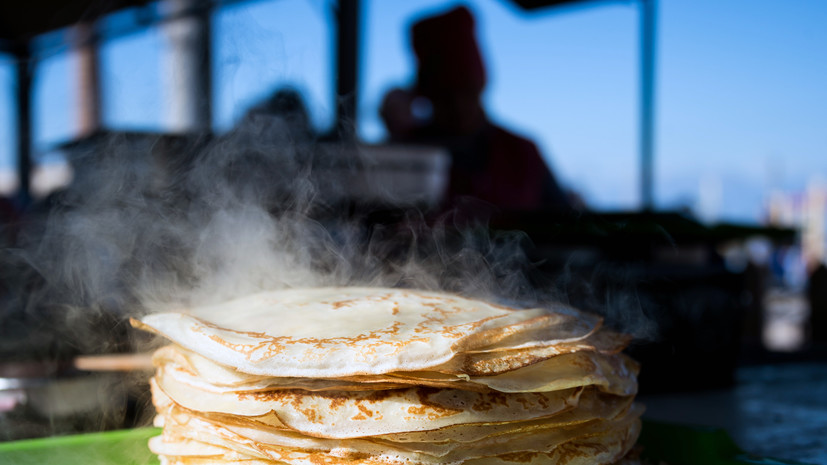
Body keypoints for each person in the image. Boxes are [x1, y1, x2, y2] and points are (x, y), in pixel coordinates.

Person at [381, 6, 571, 212]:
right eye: (445, 96)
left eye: (467, 92)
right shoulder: (407, 152)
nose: (458, 106)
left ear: (481, 88)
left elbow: (564, 222)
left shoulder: (522, 152)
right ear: (426, 95)